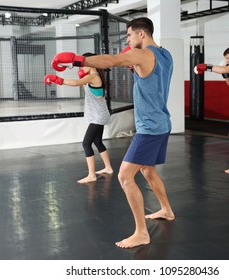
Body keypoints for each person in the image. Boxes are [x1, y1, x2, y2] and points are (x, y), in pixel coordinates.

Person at [50, 17, 175, 249]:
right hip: (163, 123)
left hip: (149, 128)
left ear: (141, 34)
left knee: (125, 176)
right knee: (148, 171)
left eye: (129, 35)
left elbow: (113, 60)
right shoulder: (165, 54)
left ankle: (141, 233)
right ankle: (166, 210)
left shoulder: (142, 54)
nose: (127, 40)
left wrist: (77, 60)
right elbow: (142, 68)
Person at [44, 53, 113, 184]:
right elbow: (83, 85)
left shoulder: (94, 77)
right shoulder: (90, 77)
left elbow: (76, 83)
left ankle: (91, 175)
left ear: (90, 64)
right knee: (97, 142)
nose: (80, 67)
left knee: (86, 143)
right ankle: (108, 168)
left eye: (83, 65)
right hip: (99, 114)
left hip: (98, 116)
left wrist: (57, 79)